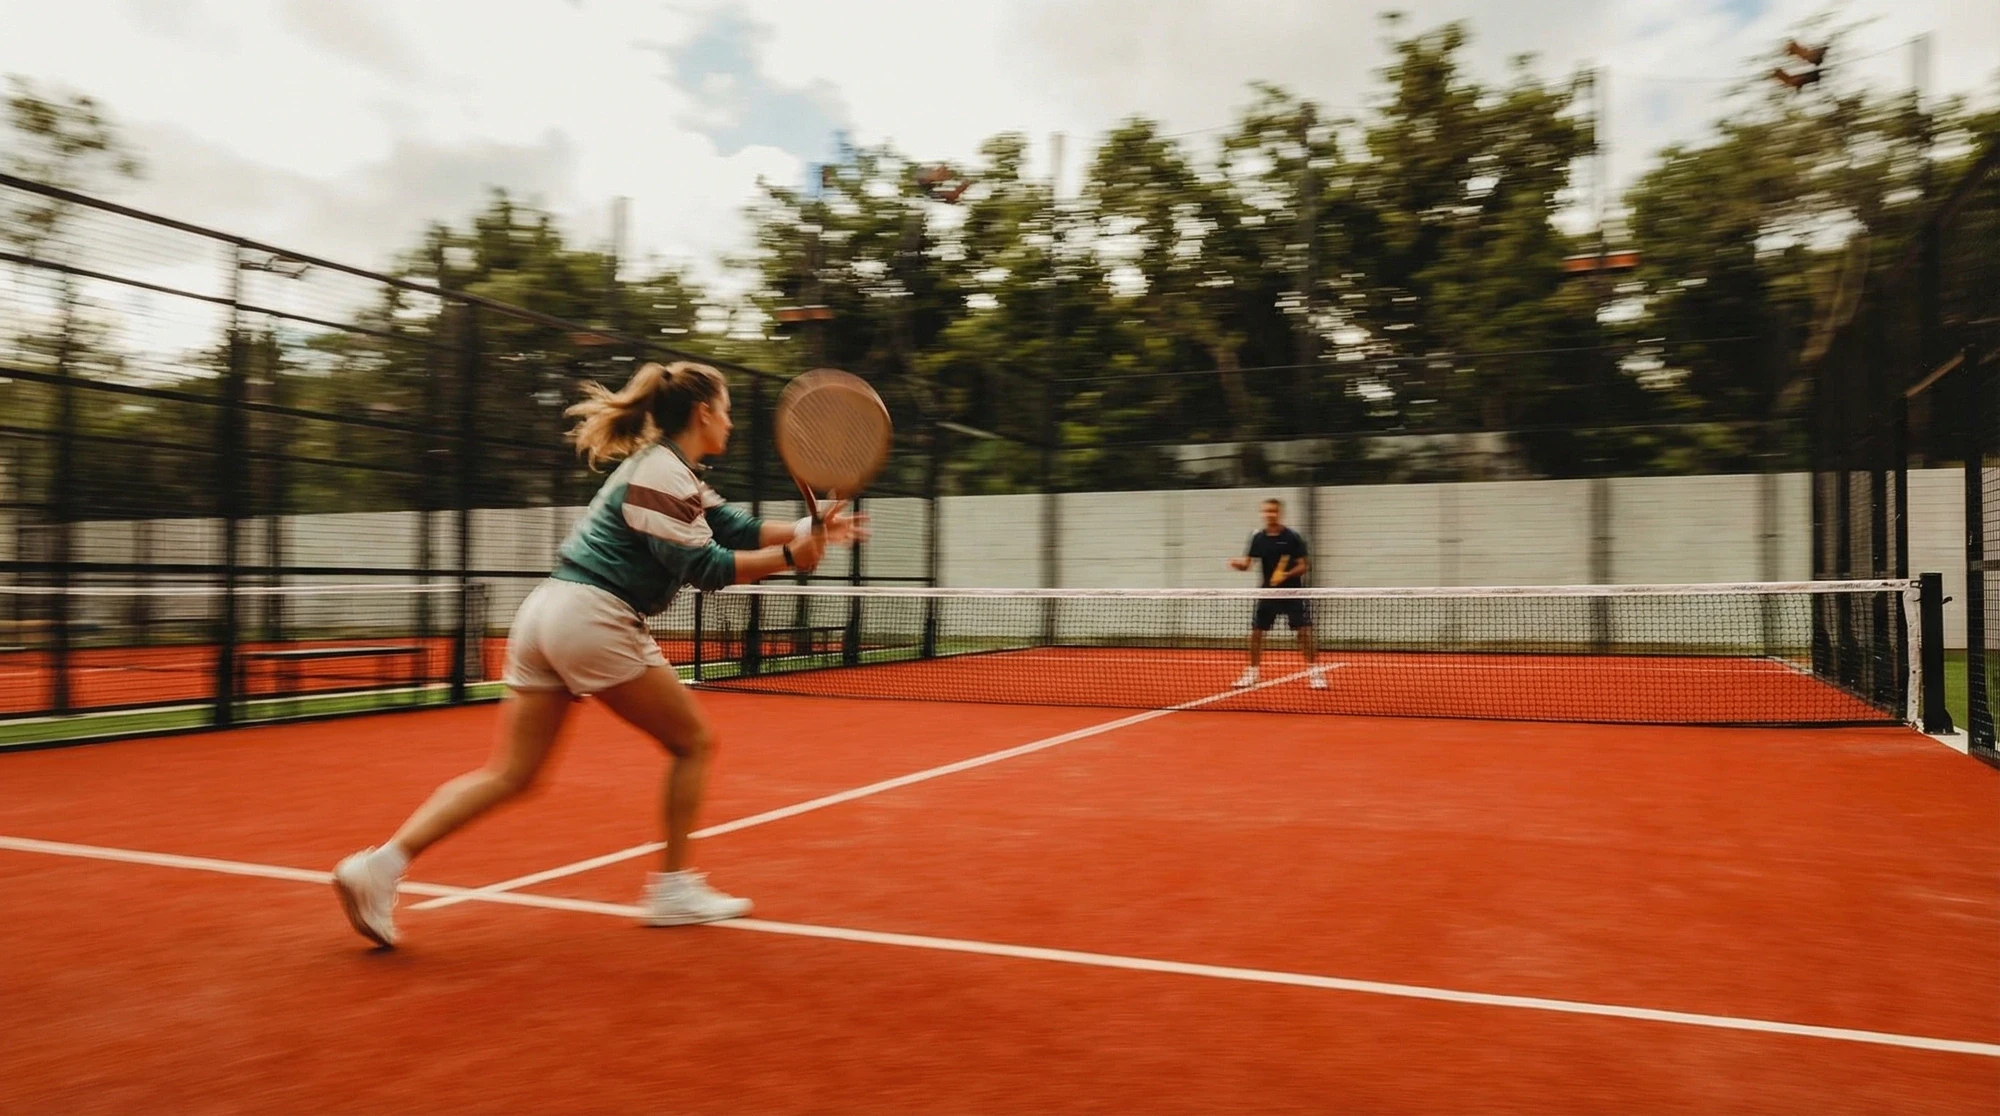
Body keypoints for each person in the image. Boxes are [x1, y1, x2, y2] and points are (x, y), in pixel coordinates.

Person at [331, 360, 866, 948]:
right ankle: (673, 889)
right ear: (703, 412)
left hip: (547, 613)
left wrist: (805, 529)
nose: (731, 423)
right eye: (728, 410)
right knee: (692, 743)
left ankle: (378, 867)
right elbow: (706, 567)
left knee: (511, 773)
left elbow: (730, 526)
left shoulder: (667, 469)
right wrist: (791, 558)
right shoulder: (663, 474)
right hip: (594, 617)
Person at [1226, 497, 1327, 689]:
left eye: (1273, 511)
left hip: (1292, 593)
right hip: (1268, 594)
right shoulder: (1257, 538)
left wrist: (1286, 574)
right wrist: (1238, 564)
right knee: (1256, 633)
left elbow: (1304, 565)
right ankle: (1252, 673)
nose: (1269, 514)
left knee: (1303, 633)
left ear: (1280, 513)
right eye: (1266, 511)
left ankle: (1315, 673)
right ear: (1262, 513)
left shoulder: (1292, 537)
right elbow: (1247, 564)